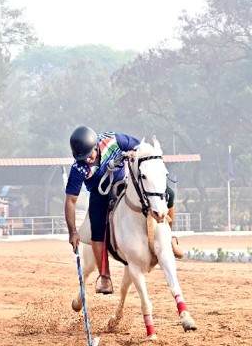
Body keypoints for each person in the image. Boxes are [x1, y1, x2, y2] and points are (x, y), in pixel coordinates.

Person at [65, 126, 183, 295]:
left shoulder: (113, 140)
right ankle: (104, 276)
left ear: (96, 146)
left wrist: (132, 154)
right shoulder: (78, 168)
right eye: (83, 158)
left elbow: (140, 149)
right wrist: (72, 232)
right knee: (97, 229)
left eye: (89, 155)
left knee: (168, 194)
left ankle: (169, 237)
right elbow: (70, 201)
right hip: (99, 193)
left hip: (124, 183)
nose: (88, 160)